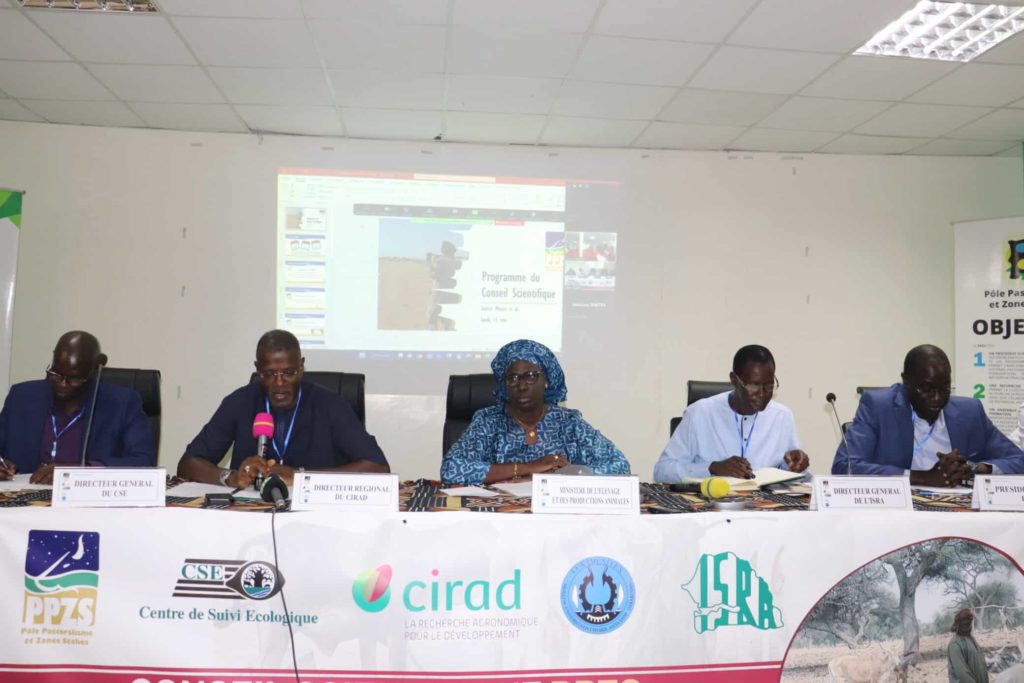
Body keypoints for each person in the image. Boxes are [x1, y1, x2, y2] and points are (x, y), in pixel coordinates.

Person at [177, 329, 388, 489]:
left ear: (301, 367)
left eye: (288, 373)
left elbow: (378, 467)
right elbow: (188, 464)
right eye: (269, 374)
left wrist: (299, 476)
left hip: (316, 515)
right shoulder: (239, 402)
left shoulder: (330, 405)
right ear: (258, 370)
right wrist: (230, 477)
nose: (279, 383)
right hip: (250, 514)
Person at [440, 339, 629, 485]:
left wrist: (559, 476)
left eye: (530, 376)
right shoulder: (488, 421)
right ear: (505, 385)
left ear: (546, 380)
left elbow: (619, 465)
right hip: (501, 518)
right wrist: (530, 467)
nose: (522, 386)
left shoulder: (568, 422)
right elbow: (451, 469)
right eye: (513, 378)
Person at [831, 344, 1024, 484]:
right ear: (906, 381)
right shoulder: (879, 407)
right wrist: (922, 477)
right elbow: (845, 466)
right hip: (899, 511)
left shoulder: (970, 412)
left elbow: (1018, 460)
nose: (937, 397)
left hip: (958, 511)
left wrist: (976, 469)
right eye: (927, 389)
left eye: (945, 388)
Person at [0, 330, 155, 484]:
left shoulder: (122, 404)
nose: (62, 384)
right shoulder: (21, 397)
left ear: (95, 369)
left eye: (74, 379)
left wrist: (80, 471)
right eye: (56, 374)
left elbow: (144, 461)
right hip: (22, 495)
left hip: (83, 497)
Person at [654, 344, 809, 482]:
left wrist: (796, 466)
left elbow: (800, 477)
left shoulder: (782, 416)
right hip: (712, 502)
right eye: (754, 385)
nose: (762, 394)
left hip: (767, 502)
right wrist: (712, 468)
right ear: (734, 380)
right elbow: (662, 471)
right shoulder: (699, 413)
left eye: (769, 386)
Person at [947, 608, 988, 683]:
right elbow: (962, 673)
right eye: (967, 623)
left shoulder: (971, 639)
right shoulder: (955, 644)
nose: (969, 626)